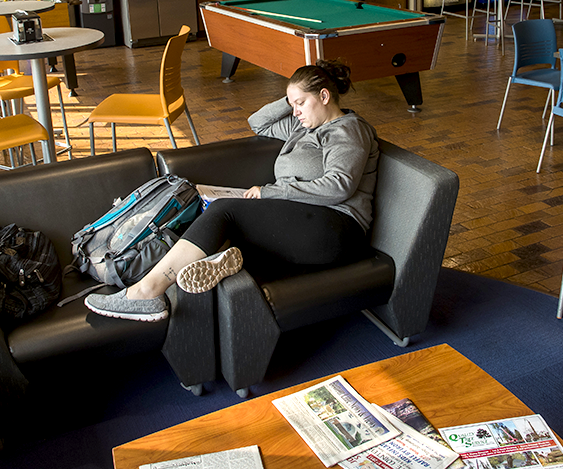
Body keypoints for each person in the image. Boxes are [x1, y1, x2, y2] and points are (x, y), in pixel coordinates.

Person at [85, 59, 379, 322]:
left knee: (227, 209)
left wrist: (268, 193)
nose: (296, 111)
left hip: (338, 228)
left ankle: (147, 293)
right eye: (292, 105)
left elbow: (339, 186)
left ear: (324, 96)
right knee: (199, 199)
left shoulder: (347, 129)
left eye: (301, 103)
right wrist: (295, 95)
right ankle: (217, 256)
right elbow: (257, 122)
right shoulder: (301, 126)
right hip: (301, 221)